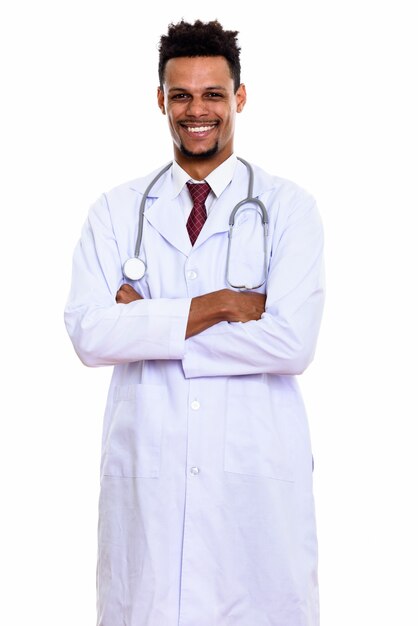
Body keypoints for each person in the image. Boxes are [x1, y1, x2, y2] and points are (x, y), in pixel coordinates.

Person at [64, 18, 325, 626]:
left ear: (239, 96)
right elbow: (88, 332)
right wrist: (218, 306)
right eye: (180, 95)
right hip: (148, 488)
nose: (196, 110)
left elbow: (290, 342)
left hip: (252, 490)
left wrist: (150, 326)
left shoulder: (289, 209)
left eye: (212, 94)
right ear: (161, 101)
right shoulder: (115, 211)